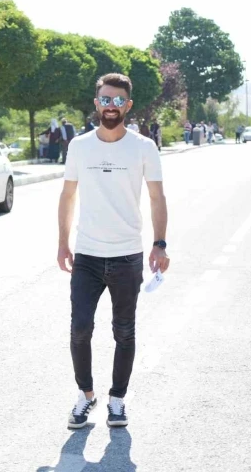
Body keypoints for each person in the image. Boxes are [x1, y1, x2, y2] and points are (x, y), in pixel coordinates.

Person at [57, 73, 170, 429]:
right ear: (96, 103)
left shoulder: (143, 147)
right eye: (105, 99)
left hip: (127, 256)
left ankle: (117, 400)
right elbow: (68, 195)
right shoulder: (79, 146)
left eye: (118, 100)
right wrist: (62, 242)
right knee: (80, 329)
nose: (111, 106)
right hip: (87, 256)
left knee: (124, 331)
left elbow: (157, 197)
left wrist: (160, 243)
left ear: (128, 105)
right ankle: (85, 395)